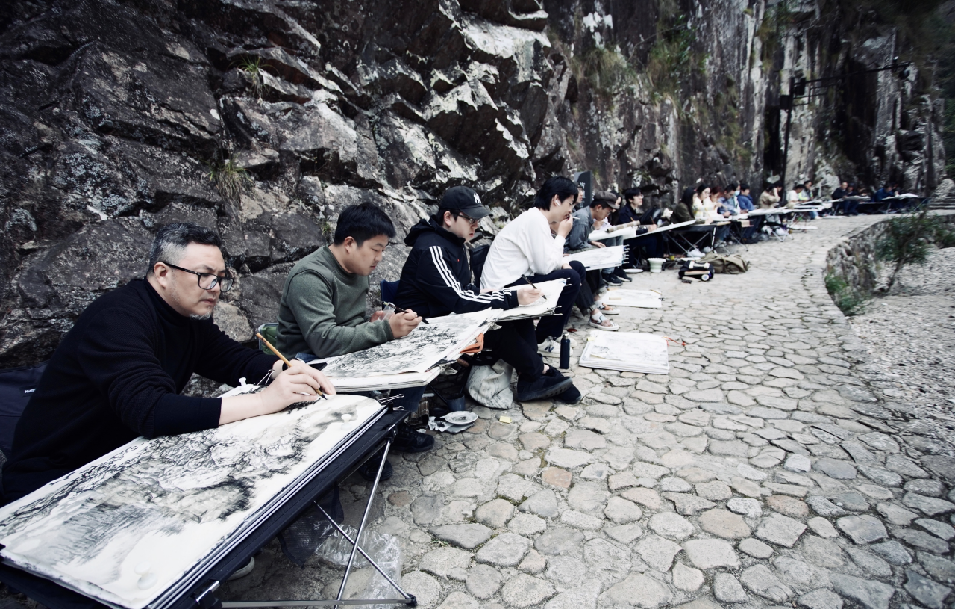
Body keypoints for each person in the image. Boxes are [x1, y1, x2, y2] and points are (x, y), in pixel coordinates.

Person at [1, 223, 336, 508]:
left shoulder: (188, 316)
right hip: (56, 479)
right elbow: (151, 411)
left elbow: (230, 358)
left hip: (126, 461)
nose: (215, 288)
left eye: (220, 278)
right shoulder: (118, 318)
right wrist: (265, 400)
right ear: (162, 273)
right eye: (205, 277)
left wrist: (284, 370)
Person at [275, 202, 434, 479]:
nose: (380, 258)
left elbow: (349, 325)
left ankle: (393, 423)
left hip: (340, 350)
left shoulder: (358, 271)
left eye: (383, 249)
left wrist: (376, 322)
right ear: (349, 243)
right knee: (390, 341)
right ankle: (366, 442)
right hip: (308, 360)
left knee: (416, 355)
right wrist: (385, 331)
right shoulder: (311, 277)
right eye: (376, 248)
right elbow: (324, 341)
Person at [395, 186, 577, 403]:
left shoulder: (455, 243)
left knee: (518, 317)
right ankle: (538, 373)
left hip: (446, 314)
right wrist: (511, 297)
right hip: (425, 325)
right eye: (471, 219)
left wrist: (481, 293)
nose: (476, 225)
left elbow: (458, 290)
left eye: (478, 220)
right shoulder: (432, 249)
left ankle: (533, 376)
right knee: (498, 329)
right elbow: (459, 300)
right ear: (448, 217)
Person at [480, 176, 588, 348]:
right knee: (571, 278)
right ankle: (545, 338)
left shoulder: (537, 219)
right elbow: (544, 267)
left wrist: (561, 259)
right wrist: (561, 235)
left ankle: (550, 333)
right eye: (570, 204)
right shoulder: (534, 220)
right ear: (556, 200)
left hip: (520, 277)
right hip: (505, 286)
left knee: (576, 269)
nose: (570, 210)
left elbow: (548, 258)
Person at [565, 193, 622, 330]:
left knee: (594, 257)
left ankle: (595, 299)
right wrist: (589, 247)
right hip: (566, 253)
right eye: (607, 212)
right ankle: (593, 308)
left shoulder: (586, 217)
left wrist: (591, 242)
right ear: (598, 207)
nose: (606, 216)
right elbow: (574, 244)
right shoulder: (583, 218)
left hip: (567, 251)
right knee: (586, 263)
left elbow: (579, 239)